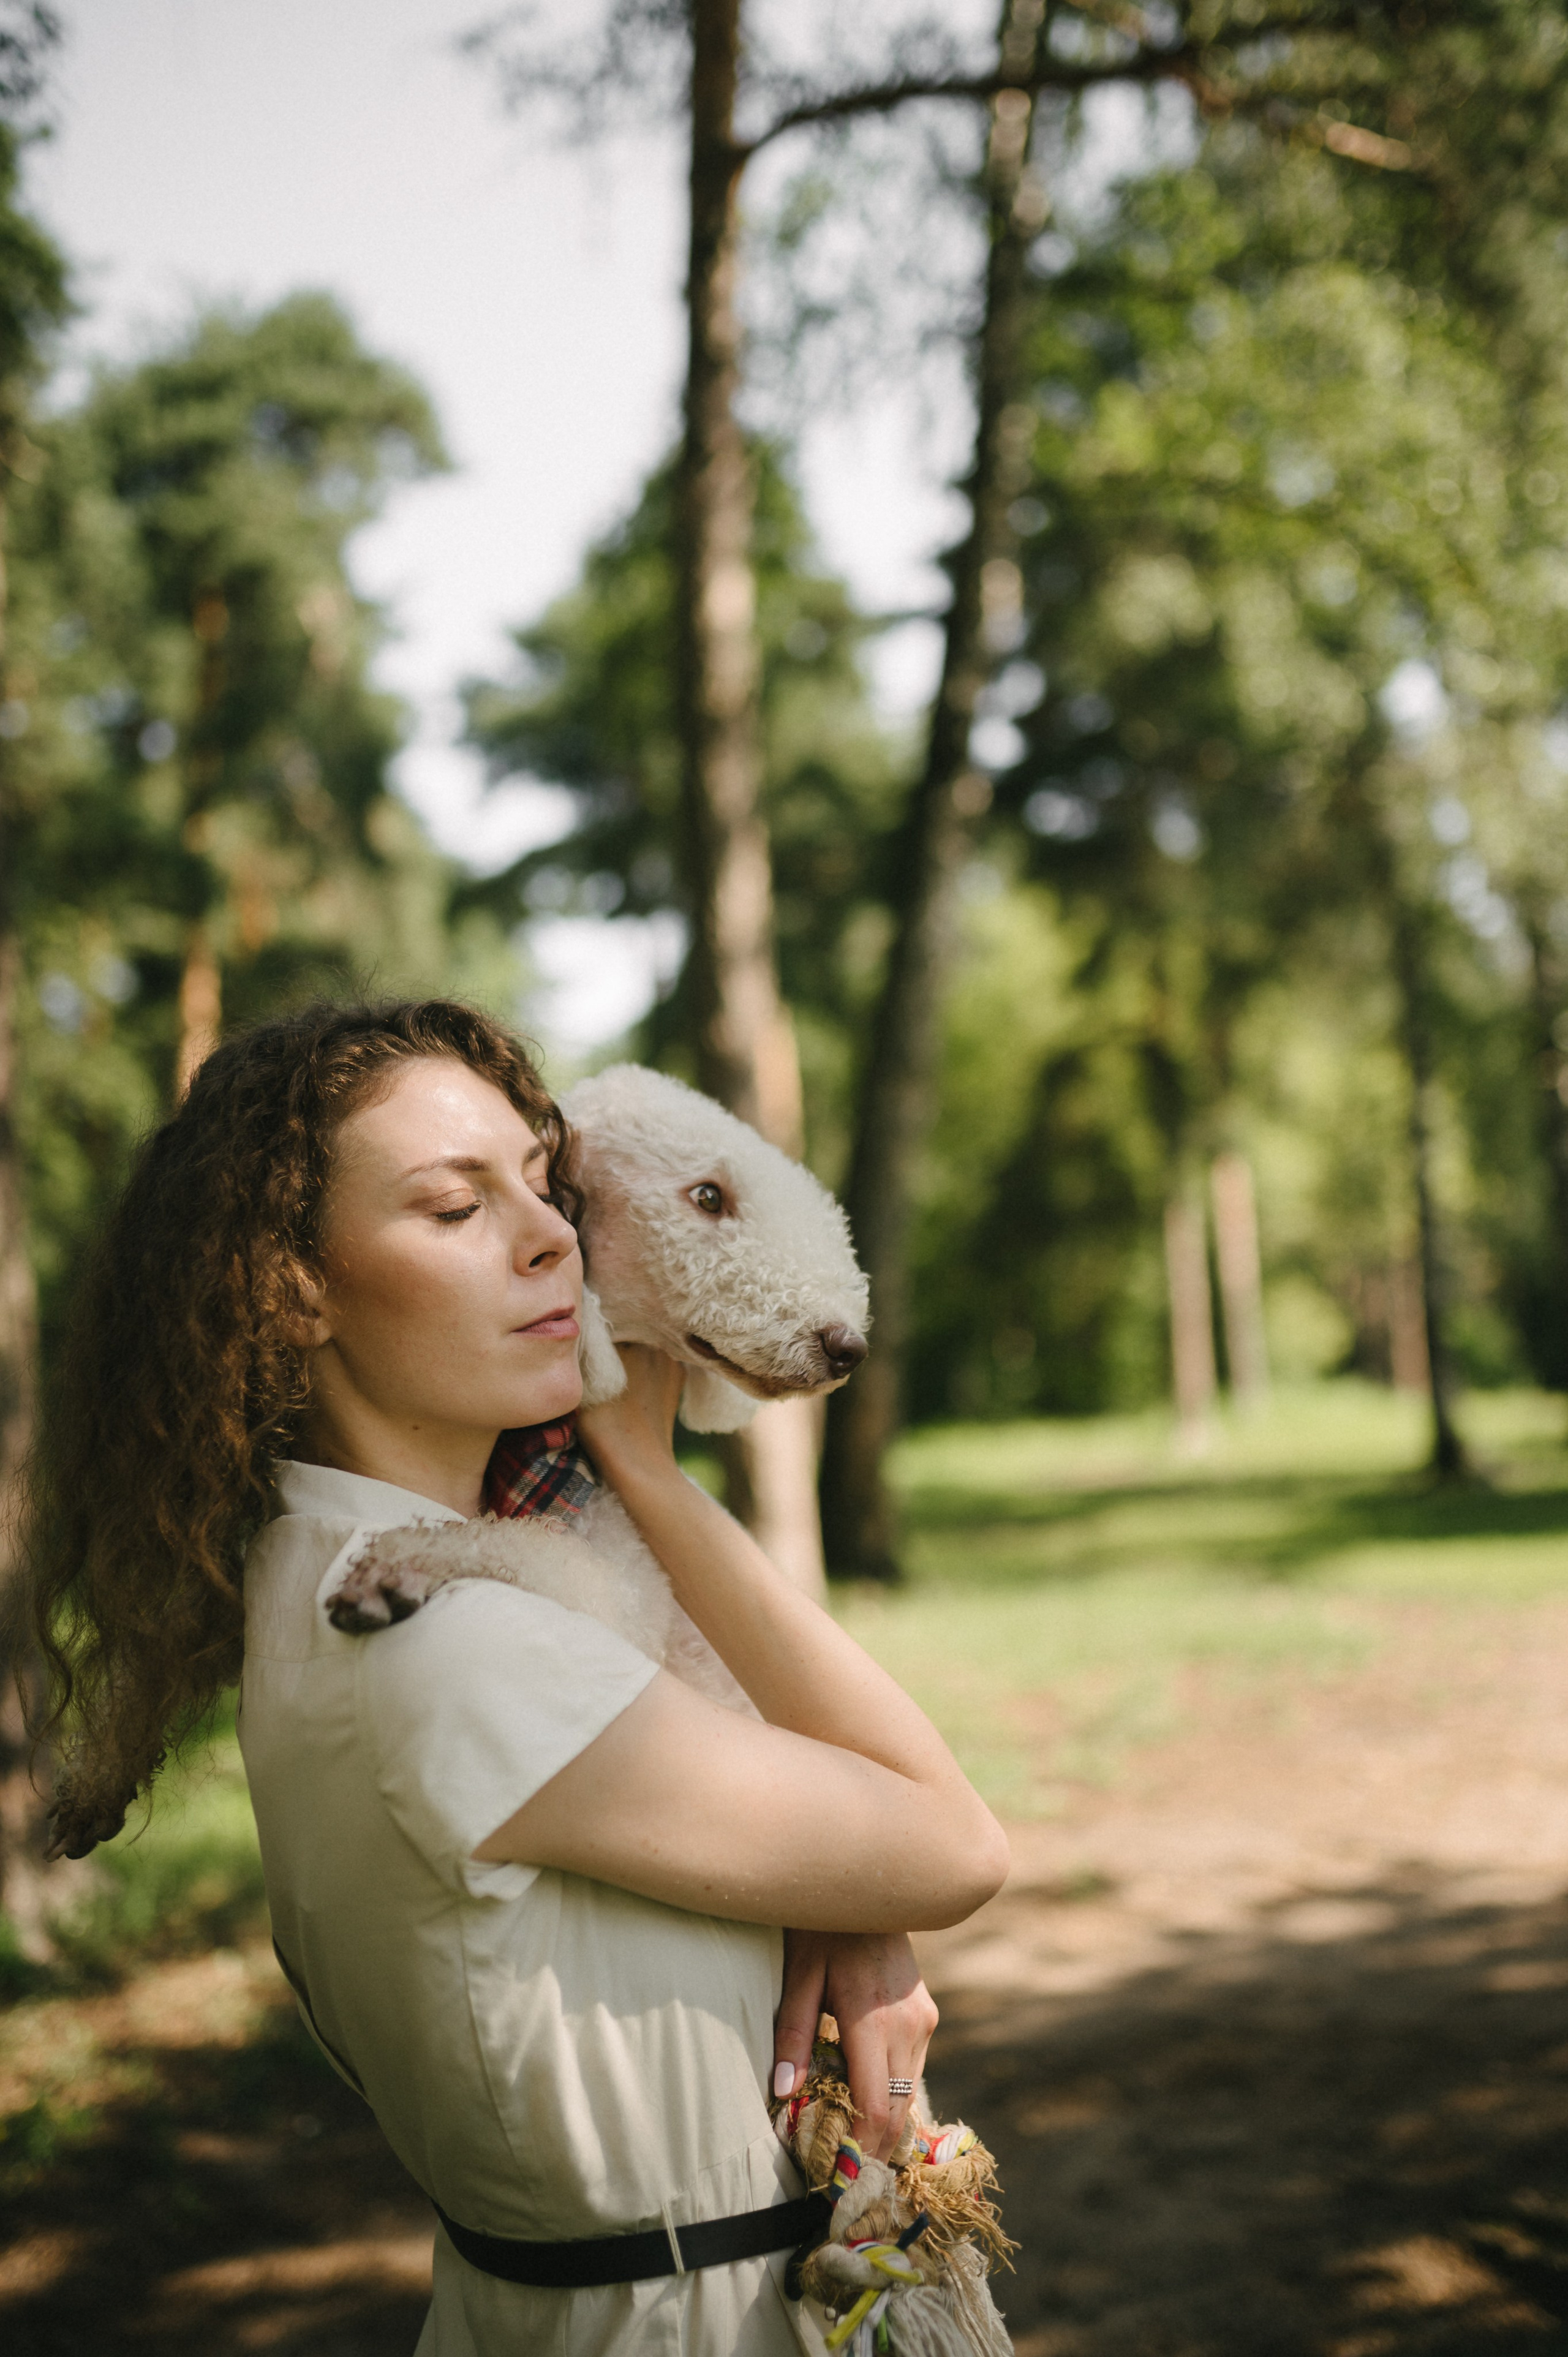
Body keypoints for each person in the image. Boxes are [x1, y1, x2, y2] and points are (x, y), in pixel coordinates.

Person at [27, 998, 1009, 2356]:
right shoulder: (448, 1635)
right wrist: (650, 1473)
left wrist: (831, 1902)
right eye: (450, 1208)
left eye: (541, 1187)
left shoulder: (365, 1576)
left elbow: (800, 1843)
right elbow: (951, 1840)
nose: (549, 1235)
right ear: (287, 1287)